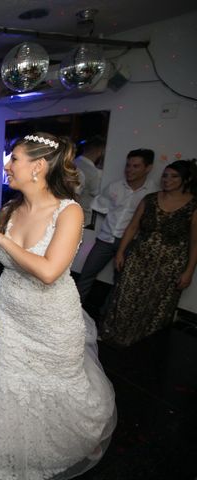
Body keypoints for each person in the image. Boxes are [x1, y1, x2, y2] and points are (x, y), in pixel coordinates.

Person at [0, 132, 116, 480]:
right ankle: (15, 452)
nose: (6, 165)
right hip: (9, 314)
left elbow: (49, 271)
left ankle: (77, 440)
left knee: (56, 385)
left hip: (52, 319)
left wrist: (3, 238)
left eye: (13, 158)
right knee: (9, 381)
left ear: (38, 167)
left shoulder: (70, 212)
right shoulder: (10, 209)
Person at [101, 160, 197, 347]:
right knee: (124, 296)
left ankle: (142, 344)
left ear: (186, 179)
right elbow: (133, 227)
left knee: (155, 304)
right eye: (165, 175)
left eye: (174, 176)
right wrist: (120, 252)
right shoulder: (150, 199)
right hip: (138, 257)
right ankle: (112, 336)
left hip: (170, 264)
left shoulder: (193, 206)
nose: (167, 179)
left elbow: (195, 242)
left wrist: (189, 271)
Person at [76, 148, 156, 305]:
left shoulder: (153, 192)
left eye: (136, 166)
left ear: (148, 168)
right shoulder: (114, 187)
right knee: (86, 275)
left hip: (130, 244)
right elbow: (100, 207)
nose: (130, 170)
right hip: (104, 239)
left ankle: (107, 319)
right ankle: (73, 311)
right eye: (128, 165)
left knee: (121, 284)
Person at [75, 136, 105, 225]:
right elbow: (98, 195)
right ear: (100, 151)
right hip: (82, 217)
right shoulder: (93, 172)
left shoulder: (73, 162)